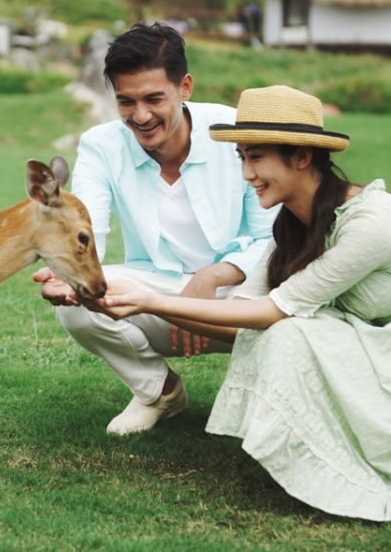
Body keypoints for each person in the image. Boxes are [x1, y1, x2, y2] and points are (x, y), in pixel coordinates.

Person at [99, 85, 391, 521]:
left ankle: (346, 458)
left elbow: (269, 314)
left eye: (257, 158)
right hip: (381, 342)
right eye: (242, 158)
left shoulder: (371, 224)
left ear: (302, 157)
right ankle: (311, 456)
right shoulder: (291, 224)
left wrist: (152, 301)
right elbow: (245, 314)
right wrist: (127, 301)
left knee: (289, 333)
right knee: (283, 332)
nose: (247, 174)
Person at [33, 23, 277, 435]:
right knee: (76, 302)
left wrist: (214, 274)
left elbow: (273, 237)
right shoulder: (101, 145)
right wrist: (69, 273)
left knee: (294, 301)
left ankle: (272, 397)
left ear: (185, 87)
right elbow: (89, 228)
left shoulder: (234, 130)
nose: (140, 116)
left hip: (240, 292)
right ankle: (160, 391)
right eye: (126, 101)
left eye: (153, 99)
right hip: (157, 289)